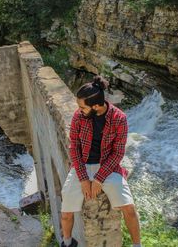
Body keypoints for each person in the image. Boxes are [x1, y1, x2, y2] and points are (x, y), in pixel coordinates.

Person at [60, 75, 141, 247]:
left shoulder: (119, 118)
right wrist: (83, 179)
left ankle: (137, 245)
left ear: (96, 106)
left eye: (82, 107)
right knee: (66, 213)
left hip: (108, 167)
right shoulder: (79, 117)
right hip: (81, 165)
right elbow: (74, 147)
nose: (79, 110)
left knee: (129, 209)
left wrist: (99, 178)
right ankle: (67, 243)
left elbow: (118, 153)